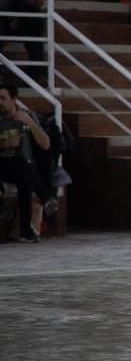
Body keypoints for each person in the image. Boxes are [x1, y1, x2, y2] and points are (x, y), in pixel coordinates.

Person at [0, 81, 51, 243]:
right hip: (1, 163)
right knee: (27, 172)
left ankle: (25, 230)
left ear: (14, 99)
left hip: (21, 165)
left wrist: (29, 122)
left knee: (25, 173)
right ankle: (47, 198)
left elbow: (46, 144)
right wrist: (4, 144)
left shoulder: (27, 116)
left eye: (3, 98)